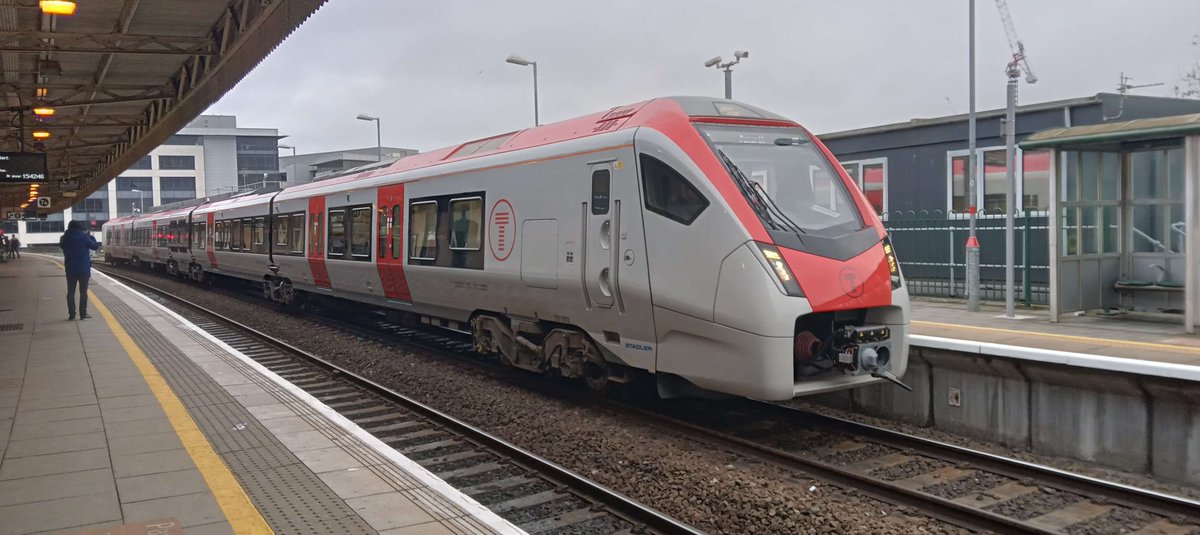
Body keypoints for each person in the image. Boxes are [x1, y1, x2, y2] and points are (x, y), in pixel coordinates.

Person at [59, 220, 101, 320]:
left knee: (70, 292)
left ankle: (72, 314)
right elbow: (95, 247)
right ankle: (83, 314)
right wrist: (91, 237)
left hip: (70, 268)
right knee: (83, 292)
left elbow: (61, 246)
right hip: (83, 269)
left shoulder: (64, 238)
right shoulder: (84, 237)